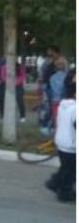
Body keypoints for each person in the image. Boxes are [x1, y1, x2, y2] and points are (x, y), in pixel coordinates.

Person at [47, 71, 75, 202]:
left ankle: (55, 183)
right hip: (71, 145)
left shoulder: (63, 105)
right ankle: (64, 193)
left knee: (66, 168)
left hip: (62, 143)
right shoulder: (75, 109)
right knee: (71, 172)